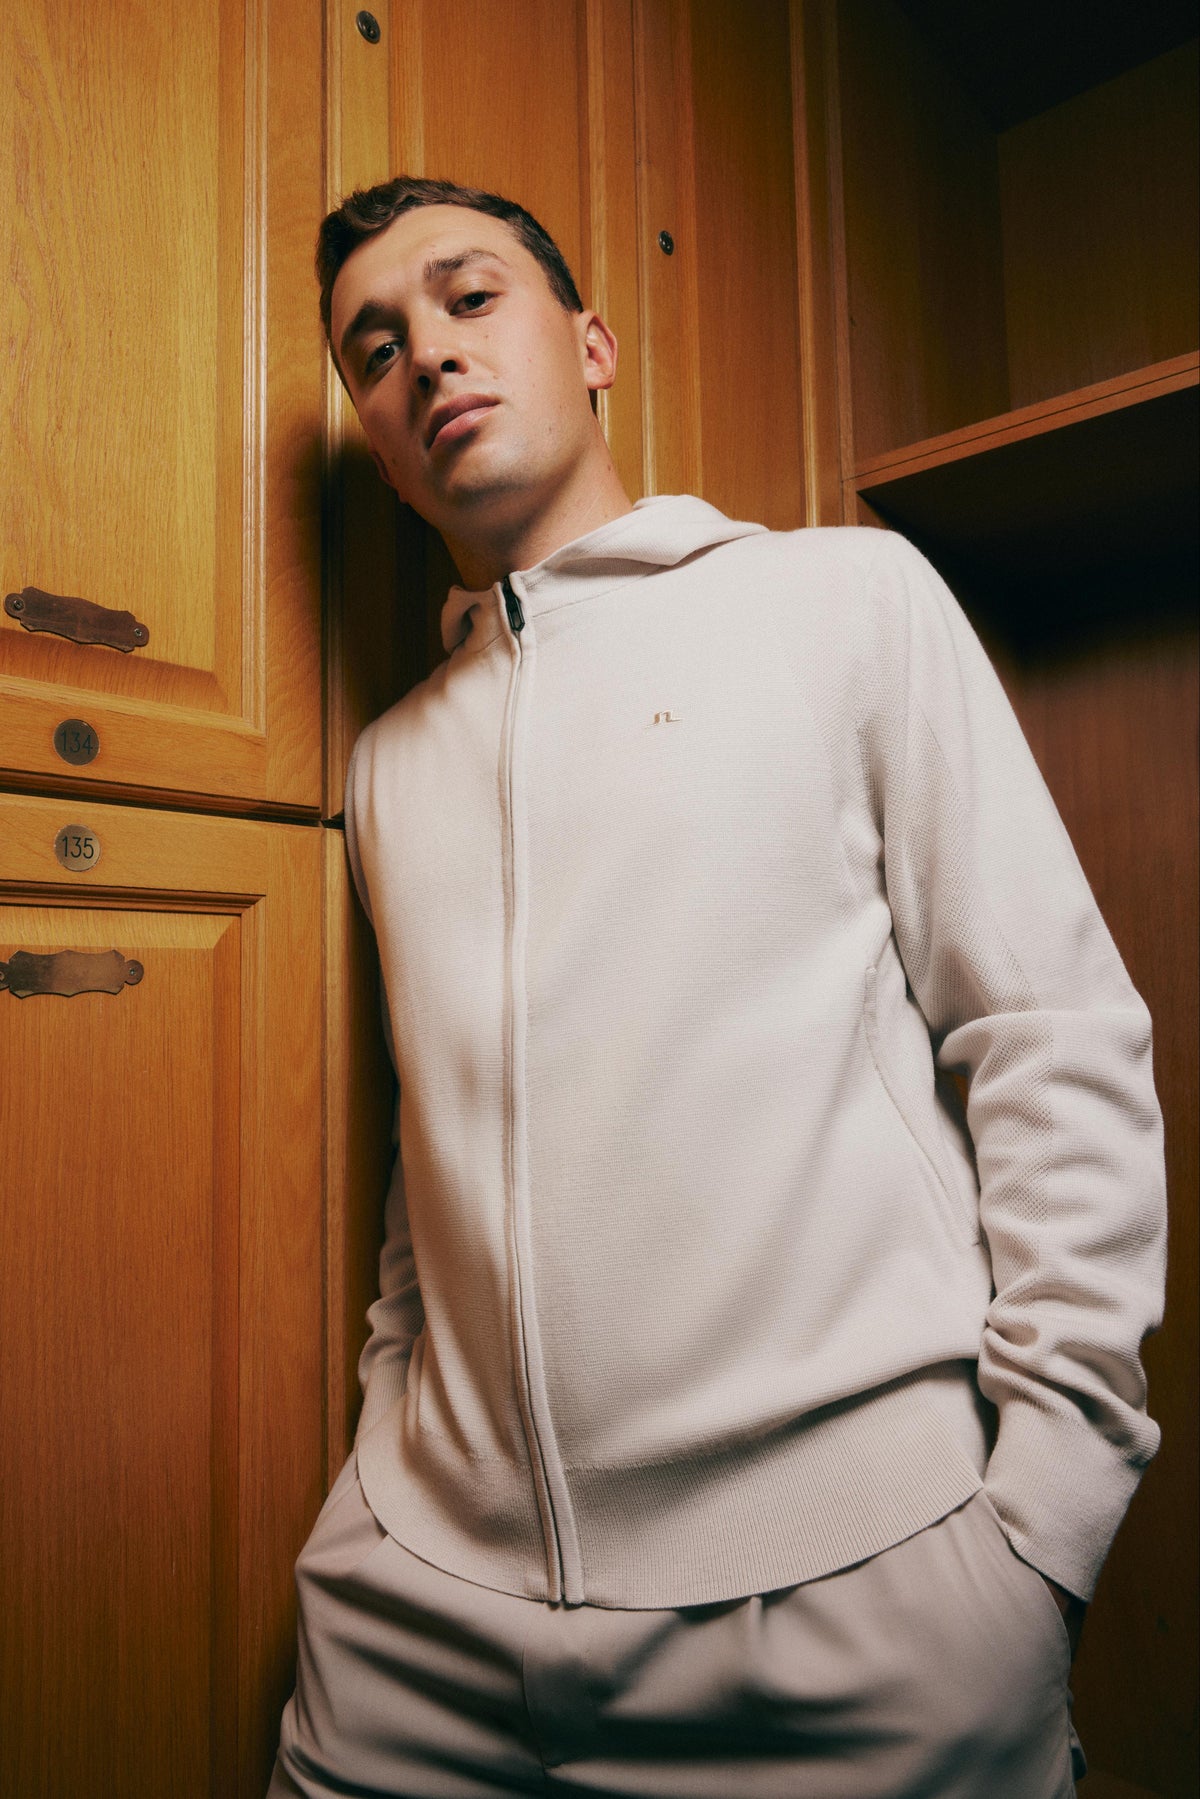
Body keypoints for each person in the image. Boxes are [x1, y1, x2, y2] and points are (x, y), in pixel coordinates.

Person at [268, 175, 1167, 1799]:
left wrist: (1045, 1525)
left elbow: (1051, 1037)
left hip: (863, 1616)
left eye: (471, 299)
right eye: (375, 351)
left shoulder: (847, 601)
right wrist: (377, 1480)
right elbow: (433, 1167)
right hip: (422, 1622)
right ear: (383, 451)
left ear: (591, 344)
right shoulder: (389, 763)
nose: (428, 356)